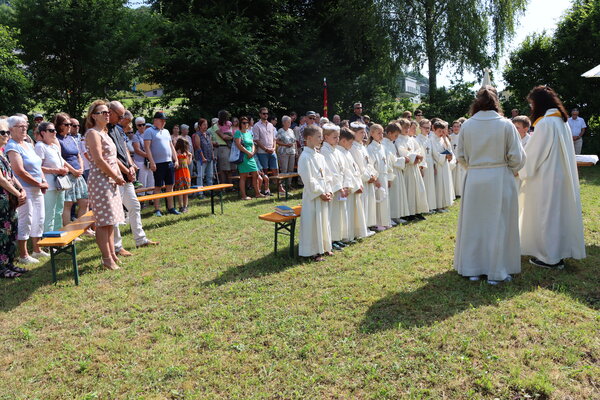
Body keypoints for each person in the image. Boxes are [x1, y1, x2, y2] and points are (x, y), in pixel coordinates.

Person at [454, 86, 526, 284]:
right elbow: (517, 157)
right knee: (498, 223)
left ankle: (472, 269)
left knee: (475, 223)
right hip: (500, 177)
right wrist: (508, 169)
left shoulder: (467, 125)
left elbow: (460, 155)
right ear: (496, 101)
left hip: (475, 178)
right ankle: (497, 270)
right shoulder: (505, 125)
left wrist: (476, 166)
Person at [519, 86, 586, 269]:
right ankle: (557, 253)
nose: (532, 108)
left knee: (546, 215)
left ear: (539, 103)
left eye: (532, 104)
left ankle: (549, 257)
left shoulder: (546, 123)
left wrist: (520, 169)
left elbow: (534, 154)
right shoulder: (561, 121)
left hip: (546, 178)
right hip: (560, 176)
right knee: (557, 215)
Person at [107, 102, 159, 252]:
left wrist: (130, 165)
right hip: (114, 176)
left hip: (126, 175)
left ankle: (140, 239)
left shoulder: (117, 129)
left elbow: (123, 150)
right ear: (110, 112)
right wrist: (126, 169)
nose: (122, 118)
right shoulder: (105, 131)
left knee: (134, 206)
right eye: (120, 115)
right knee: (116, 213)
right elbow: (111, 156)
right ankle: (117, 247)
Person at [84, 100, 125, 270]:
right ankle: (107, 259)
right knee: (103, 222)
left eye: (107, 112)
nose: (107, 114)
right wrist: (115, 176)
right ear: (93, 116)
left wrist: (121, 173)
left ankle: (112, 254)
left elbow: (112, 158)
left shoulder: (105, 132)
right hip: (101, 180)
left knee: (110, 221)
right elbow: (99, 160)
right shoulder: (93, 133)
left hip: (110, 180)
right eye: (102, 112)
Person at [5, 115, 48, 265]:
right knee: (26, 219)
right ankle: (24, 254)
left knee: (40, 218)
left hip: (36, 187)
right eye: (20, 126)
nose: (24, 128)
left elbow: (38, 165)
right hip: (25, 189)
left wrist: (42, 180)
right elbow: (19, 170)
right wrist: (39, 183)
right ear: (11, 130)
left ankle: (37, 249)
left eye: (25, 125)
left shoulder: (28, 144)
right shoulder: (12, 146)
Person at [297, 125, 333, 261]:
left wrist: (328, 190)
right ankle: (312, 251)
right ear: (309, 138)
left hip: (323, 193)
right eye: (319, 136)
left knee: (323, 220)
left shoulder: (319, 156)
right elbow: (308, 179)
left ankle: (324, 247)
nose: (321, 139)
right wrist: (320, 192)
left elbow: (327, 175)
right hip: (313, 196)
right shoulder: (305, 157)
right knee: (312, 222)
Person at [0, 119, 28, 277]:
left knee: (11, 231)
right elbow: (1, 179)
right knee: (2, 233)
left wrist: (21, 189)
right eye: (2, 132)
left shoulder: (2, 152)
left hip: (9, 201)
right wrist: (17, 194)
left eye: (7, 132)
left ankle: (9, 263)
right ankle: (1, 268)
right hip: (2, 201)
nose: (6, 135)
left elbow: (10, 174)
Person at [55, 113, 89, 227]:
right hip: (68, 175)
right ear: (59, 125)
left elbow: (78, 154)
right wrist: (73, 170)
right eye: (67, 124)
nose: (70, 126)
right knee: (68, 204)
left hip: (78, 174)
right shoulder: (57, 140)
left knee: (85, 201)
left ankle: (82, 228)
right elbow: (59, 158)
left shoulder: (70, 138)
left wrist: (81, 167)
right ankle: (69, 229)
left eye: (70, 124)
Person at [35, 122, 69, 232]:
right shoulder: (40, 146)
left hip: (60, 184)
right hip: (49, 185)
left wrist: (65, 169)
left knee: (59, 211)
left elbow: (60, 163)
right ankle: (48, 240)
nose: (54, 132)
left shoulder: (54, 146)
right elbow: (38, 167)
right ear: (43, 133)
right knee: (50, 213)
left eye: (54, 130)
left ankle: (57, 238)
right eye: (51, 130)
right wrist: (56, 170)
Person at [144, 111, 180, 216]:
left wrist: (176, 159)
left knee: (170, 185)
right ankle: (157, 209)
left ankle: (171, 207)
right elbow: (147, 147)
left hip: (168, 162)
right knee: (158, 186)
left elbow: (171, 146)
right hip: (158, 163)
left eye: (164, 120)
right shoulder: (149, 131)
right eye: (162, 120)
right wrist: (152, 162)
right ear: (155, 120)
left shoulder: (166, 131)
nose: (164, 122)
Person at [320, 123, 349, 250]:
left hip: (340, 187)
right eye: (334, 137)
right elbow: (331, 172)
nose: (337, 140)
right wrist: (339, 187)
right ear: (325, 137)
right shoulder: (325, 151)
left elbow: (344, 169)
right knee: (332, 215)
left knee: (339, 215)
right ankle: (330, 239)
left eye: (338, 137)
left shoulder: (336, 150)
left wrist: (346, 185)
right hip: (332, 188)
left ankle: (337, 237)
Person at [337, 127, 368, 240]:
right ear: (343, 141)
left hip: (354, 186)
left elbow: (355, 170)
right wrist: (354, 186)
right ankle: (346, 235)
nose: (352, 144)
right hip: (348, 189)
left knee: (352, 213)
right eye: (350, 142)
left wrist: (359, 183)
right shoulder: (340, 152)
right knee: (346, 213)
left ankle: (353, 233)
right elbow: (346, 173)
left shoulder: (347, 151)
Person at [396, 118, 429, 220]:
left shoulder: (412, 139)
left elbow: (419, 149)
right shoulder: (398, 140)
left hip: (415, 167)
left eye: (408, 127)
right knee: (409, 190)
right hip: (407, 169)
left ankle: (418, 211)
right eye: (404, 128)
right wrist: (414, 157)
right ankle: (409, 213)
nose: (406, 130)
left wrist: (418, 157)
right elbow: (402, 152)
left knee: (418, 190)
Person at [349, 121, 377, 230]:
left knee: (369, 202)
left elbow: (369, 162)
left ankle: (368, 224)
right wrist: (367, 177)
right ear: (354, 133)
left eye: (364, 132)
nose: (364, 134)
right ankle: (362, 226)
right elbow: (358, 167)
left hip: (369, 178)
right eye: (361, 132)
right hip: (362, 180)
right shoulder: (353, 148)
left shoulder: (362, 146)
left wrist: (373, 174)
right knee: (362, 203)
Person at [382, 122, 410, 224]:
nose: (396, 137)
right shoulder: (384, 144)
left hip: (397, 171)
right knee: (392, 195)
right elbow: (390, 161)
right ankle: (391, 216)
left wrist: (401, 159)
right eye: (395, 135)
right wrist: (402, 160)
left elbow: (394, 158)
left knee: (397, 194)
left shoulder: (390, 143)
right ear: (389, 133)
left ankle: (397, 216)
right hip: (392, 172)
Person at [366, 124, 393, 231]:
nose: (381, 135)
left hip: (384, 175)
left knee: (385, 199)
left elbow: (388, 163)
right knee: (378, 199)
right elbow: (370, 165)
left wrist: (390, 177)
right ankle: (377, 222)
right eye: (379, 133)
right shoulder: (370, 148)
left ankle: (385, 221)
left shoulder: (383, 147)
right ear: (372, 134)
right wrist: (376, 178)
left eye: (382, 133)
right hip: (377, 176)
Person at [234, 116, 263, 200]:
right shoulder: (238, 133)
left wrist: (252, 152)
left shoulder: (249, 133)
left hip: (251, 156)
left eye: (247, 122)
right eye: (243, 123)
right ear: (240, 124)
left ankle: (258, 193)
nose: (246, 124)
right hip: (243, 157)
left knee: (256, 174)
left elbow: (253, 144)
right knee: (243, 176)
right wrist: (248, 153)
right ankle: (243, 196)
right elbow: (238, 145)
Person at [431, 120, 456, 212]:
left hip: (444, 164)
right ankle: (439, 205)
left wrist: (449, 155)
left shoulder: (442, 139)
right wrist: (444, 155)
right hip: (438, 165)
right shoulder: (432, 139)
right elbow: (435, 154)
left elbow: (447, 149)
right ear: (434, 130)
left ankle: (444, 204)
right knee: (439, 185)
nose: (441, 133)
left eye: (442, 131)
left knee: (445, 184)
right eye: (439, 131)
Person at [252, 107, 278, 194]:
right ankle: (267, 189)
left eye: (266, 113)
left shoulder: (271, 125)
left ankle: (279, 187)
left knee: (275, 169)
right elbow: (256, 140)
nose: (265, 115)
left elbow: (274, 138)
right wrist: (266, 149)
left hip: (272, 151)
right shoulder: (256, 126)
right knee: (265, 170)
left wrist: (274, 148)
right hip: (262, 152)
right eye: (263, 113)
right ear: (260, 114)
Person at [415, 119, 436, 212]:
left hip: (430, 163)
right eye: (425, 128)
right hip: (423, 165)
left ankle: (431, 206)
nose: (427, 130)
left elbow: (431, 153)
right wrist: (420, 167)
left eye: (429, 128)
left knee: (430, 185)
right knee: (424, 186)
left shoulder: (429, 139)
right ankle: (425, 207)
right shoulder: (417, 140)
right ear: (420, 128)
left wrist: (434, 166)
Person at [131, 117, 154, 196]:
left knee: (151, 179)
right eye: (139, 125)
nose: (142, 127)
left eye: (143, 124)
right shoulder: (135, 136)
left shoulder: (148, 134)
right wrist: (149, 155)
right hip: (140, 161)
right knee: (142, 180)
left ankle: (151, 196)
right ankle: (141, 197)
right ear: (136, 126)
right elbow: (137, 150)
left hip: (149, 160)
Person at [275, 115, 296, 194]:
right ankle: (282, 186)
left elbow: (294, 141)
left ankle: (289, 184)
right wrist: (285, 145)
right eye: (288, 122)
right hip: (283, 152)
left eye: (290, 122)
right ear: (283, 123)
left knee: (291, 169)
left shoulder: (291, 130)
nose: (289, 123)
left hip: (292, 152)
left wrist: (296, 151)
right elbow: (276, 141)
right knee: (284, 169)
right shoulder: (280, 131)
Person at [193, 118, 214, 192]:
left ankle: (210, 190)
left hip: (209, 157)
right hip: (201, 158)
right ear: (199, 126)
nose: (205, 126)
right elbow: (198, 147)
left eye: (206, 124)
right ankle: (200, 192)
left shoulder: (208, 134)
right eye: (204, 125)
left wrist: (213, 154)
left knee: (210, 175)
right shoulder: (197, 135)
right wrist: (203, 157)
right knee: (200, 175)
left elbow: (211, 145)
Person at [215, 110, 234, 184]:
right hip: (223, 147)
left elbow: (231, 134)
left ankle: (230, 184)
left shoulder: (229, 123)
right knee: (224, 168)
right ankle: (224, 185)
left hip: (229, 146)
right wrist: (230, 137)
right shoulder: (216, 125)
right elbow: (223, 137)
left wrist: (230, 137)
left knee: (230, 168)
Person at [449, 120, 466, 198]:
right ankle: (454, 192)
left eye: (458, 126)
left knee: (460, 176)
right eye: (454, 126)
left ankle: (460, 192)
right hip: (453, 160)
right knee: (453, 176)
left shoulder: (463, 137)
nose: (456, 128)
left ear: (460, 127)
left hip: (461, 160)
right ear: (452, 128)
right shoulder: (450, 137)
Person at [174, 138, 192, 212]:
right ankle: (181, 206)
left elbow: (188, 163)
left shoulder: (186, 153)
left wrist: (190, 156)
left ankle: (185, 206)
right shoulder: (176, 153)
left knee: (186, 190)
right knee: (180, 190)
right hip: (179, 172)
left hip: (186, 171)